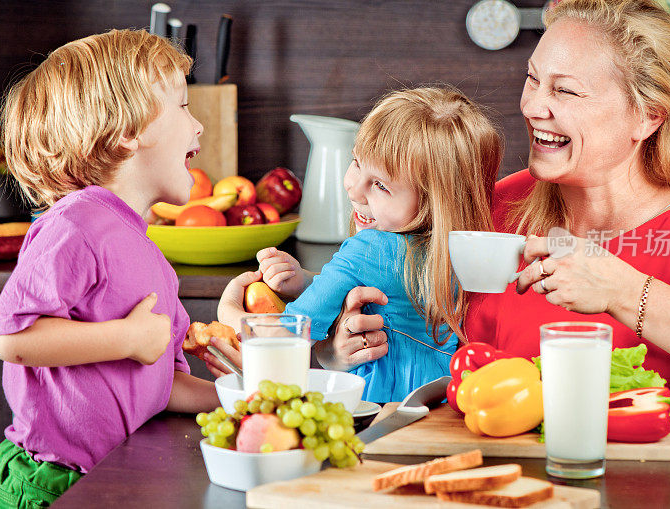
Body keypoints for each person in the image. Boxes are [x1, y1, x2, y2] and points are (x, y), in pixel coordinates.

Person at [315, 0, 670, 411]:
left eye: (565, 90)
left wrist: (623, 291)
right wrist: (338, 354)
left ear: (647, 116)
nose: (533, 106)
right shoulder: (493, 205)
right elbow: (398, 316)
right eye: (533, 79)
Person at [0, 29, 222, 508]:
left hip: (113, 477)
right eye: (183, 106)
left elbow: (162, 386)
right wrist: (126, 338)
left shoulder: (149, 254)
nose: (198, 127)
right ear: (128, 131)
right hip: (46, 484)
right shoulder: (76, 222)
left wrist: (242, 397)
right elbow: (11, 339)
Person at [215, 87, 502, 403]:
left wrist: (228, 310)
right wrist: (306, 281)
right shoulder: (456, 251)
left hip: (381, 404)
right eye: (356, 162)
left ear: (434, 204)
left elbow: (283, 338)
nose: (354, 189)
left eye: (380, 185)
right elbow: (388, 291)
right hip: (442, 398)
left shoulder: (368, 250)